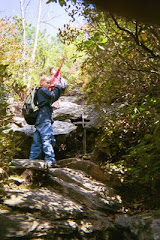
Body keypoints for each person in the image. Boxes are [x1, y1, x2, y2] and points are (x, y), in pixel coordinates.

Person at [29, 75, 62, 168]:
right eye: (47, 83)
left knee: (37, 141)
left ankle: (33, 161)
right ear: (41, 83)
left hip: (39, 120)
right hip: (44, 119)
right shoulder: (42, 90)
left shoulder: (39, 92)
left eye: (49, 83)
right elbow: (53, 96)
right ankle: (50, 160)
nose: (49, 85)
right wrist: (58, 87)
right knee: (47, 139)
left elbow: (52, 97)